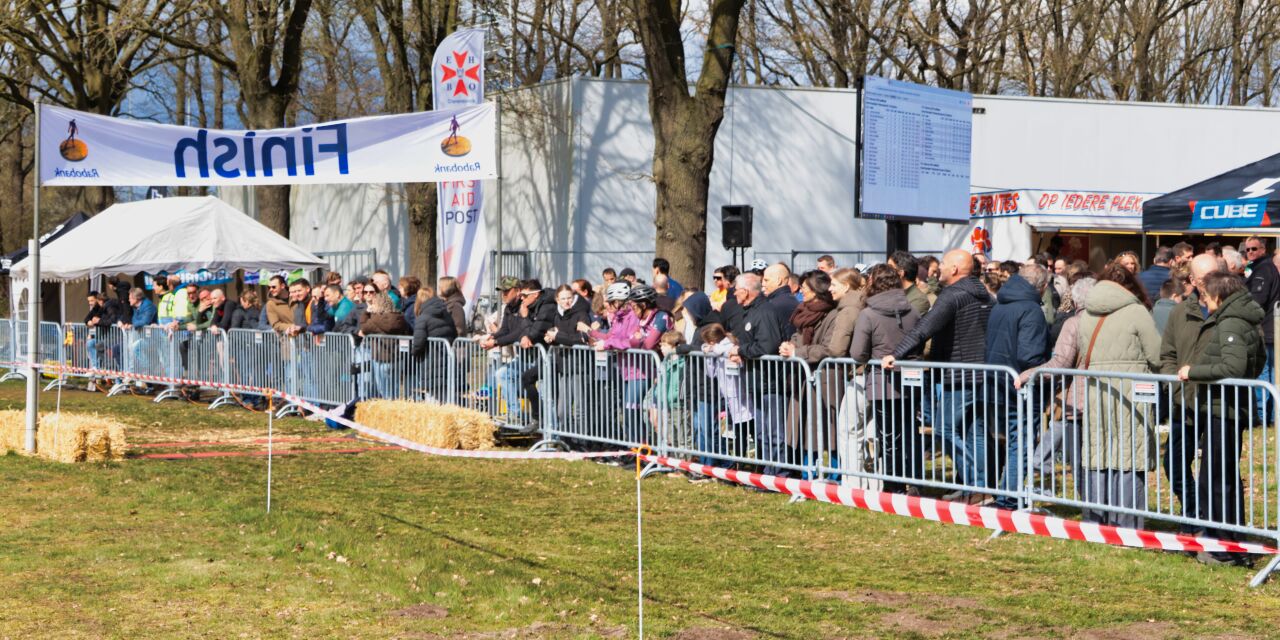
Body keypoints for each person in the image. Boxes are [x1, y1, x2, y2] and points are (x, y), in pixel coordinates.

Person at [883, 249, 993, 503]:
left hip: (959, 373)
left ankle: (978, 488)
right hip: (978, 373)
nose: (939, 267)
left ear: (954, 269)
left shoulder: (953, 294)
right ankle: (977, 488)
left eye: (943, 263)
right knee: (972, 431)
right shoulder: (982, 292)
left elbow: (925, 327)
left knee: (944, 429)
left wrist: (896, 354)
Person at [1177, 271, 1266, 565]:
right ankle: (1231, 541)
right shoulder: (1246, 319)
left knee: (1215, 478)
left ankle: (1221, 547)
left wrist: (1194, 372)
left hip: (1222, 409)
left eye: (1206, 296)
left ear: (1218, 296)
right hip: (1227, 407)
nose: (1203, 301)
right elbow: (1258, 360)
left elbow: (1233, 367)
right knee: (1223, 476)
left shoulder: (1230, 322)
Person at [1077, 263, 1163, 529]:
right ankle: (1126, 523)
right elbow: (1157, 354)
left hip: (1096, 390)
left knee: (1097, 452)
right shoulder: (1137, 311)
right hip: (1130, 391)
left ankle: (1096, 519)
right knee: (1129, 453)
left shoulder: (1086, 313)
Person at [1159, 254, 1221, 526]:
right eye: (1205, 278)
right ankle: (1193, 511)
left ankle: (1213, 519)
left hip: (1218, 402)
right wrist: (1173, 379)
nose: (1211, 282)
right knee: (1174, 463)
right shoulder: (1180, 312)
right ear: (1193, 281)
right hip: (1184, 401)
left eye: (1216, 275)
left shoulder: (1230, 308)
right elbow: (1168, 355)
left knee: (1216, 468)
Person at [850, 264, 921, 493]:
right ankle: (914, 481)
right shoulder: (913, 311)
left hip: (883, 381)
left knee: (889, 436)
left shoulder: (868, 314)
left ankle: (894, 486)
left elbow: (857, 353)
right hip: (911, 381)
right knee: (910, 432)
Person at [984, 263, 1050, 509]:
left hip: (998, 383)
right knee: (1020, 442)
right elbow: (1029, 355)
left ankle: (1006, 494)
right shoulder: (1030, 309)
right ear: (1041, 287)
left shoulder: (1001, 303)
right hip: (1018, 386)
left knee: (1013, 441)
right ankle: (1009, 498)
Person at [727, 273, 788, 475]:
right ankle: (767, 472)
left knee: (774, 432)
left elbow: (767, 346)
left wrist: (741, 351)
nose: (734, 293)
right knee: (762, 432)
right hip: (756, 381)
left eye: (736, 290)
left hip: (769, 382)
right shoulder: (751, 311)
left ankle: (778, 473)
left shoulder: (764, 312)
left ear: (745, 291)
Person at [777, 270, 836, 466]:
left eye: (804, 287)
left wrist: (798, 352)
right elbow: (797, 336)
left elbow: (829, 348)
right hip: (802, 378)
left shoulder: (832, 314)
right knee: (803, 427)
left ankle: (834, 474)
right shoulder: (802, 311)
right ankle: (806, 471)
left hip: (825, 378)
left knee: (829, 430)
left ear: (815, 290)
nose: (801, 290)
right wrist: (789, 346)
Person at [1243, 235, 1280, 424]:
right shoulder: (1264, 268)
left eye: (1254, 249)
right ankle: (1272, 417)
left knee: (1264, 375)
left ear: (1263, 249)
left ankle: (1262, 417)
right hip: (1271, 331)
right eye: (1247, 249)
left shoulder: (1262, 269)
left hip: (1265, 332)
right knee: (1273, 376)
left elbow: (1258, 299)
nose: (1250, 252)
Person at [359, 291, 412, 398]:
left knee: (384, 390)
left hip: (381, 358)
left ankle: (389, 411)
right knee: (395, 388)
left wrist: (366, 312)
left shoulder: (376, 319)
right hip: (398, 358)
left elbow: (362, 330)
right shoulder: (400, 317)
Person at [888, 251, 930, 317]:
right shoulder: (891, 293)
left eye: (889, 269)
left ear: (900, 273)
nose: (886, 272)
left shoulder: (919, 300)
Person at [762, 263, 799, 336]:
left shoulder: (773, 305)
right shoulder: (793, 300)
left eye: (766, 280)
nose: (763, 284)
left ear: (778, 281)